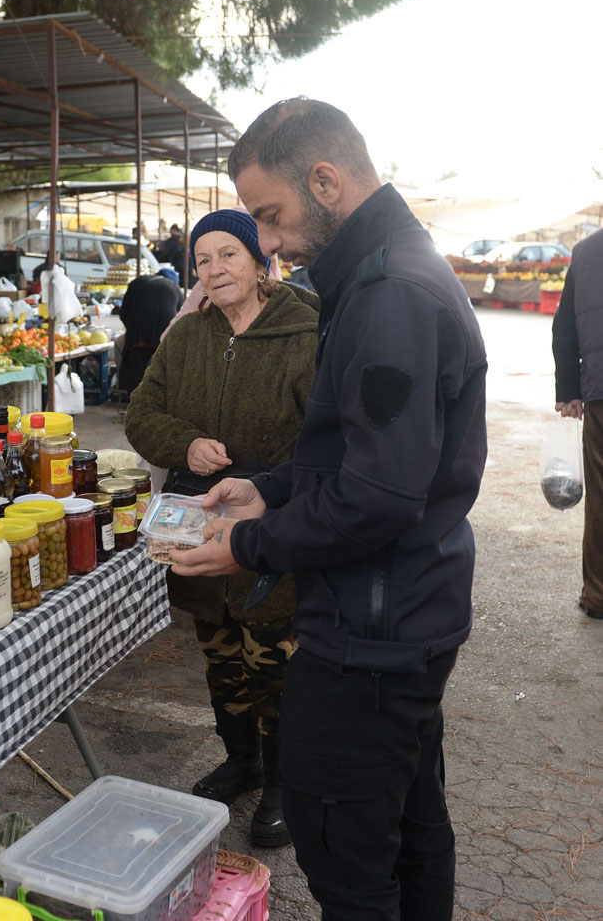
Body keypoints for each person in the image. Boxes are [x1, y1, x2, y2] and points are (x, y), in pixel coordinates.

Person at [172, 98, 487, 921]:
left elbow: (379, 495)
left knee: (348, 856)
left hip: (372, 630)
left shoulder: (390, 292)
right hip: (399, 610)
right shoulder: (378, 274)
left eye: (270, 216)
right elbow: (360, 451)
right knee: (409, 826)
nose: (266, 240)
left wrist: (250, 542)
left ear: (325, 181)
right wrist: (271, 489)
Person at [125, 208, 318, 847]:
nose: (215, 269)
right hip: (198, 520)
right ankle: (242, 761)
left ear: (260, 261)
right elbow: (141, 414)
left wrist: (273, 485)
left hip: (274, 520)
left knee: (274, 660)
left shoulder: (306, 333)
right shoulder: (188, 336)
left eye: (228, 254)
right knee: (219, 653)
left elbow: (326, 441)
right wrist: (185, 445)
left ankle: (286, 782)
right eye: (203, 260)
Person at [551, 228, 603, 618]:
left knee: (600, 496)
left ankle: (597, 594)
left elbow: (564, 328)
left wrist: (570, 389)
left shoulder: (585, 251)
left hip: (600, 391)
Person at [114, 271, 184, 395]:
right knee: (163, 368)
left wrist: (132, 330)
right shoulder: (176, 289)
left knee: (136, 365)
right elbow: (178, 317)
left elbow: (123, 312)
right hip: (165, 331)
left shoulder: (138, 281)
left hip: (139, 331)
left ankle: (135, 400)